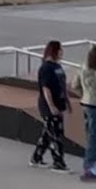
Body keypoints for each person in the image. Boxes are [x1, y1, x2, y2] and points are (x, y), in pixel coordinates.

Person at [71, 44, 96, 181]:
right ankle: (90, 165)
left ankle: (90, 163)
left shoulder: (83, 67)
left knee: (90, 134)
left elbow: (74, 85)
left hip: (85, 104)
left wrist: (83, 94)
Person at [31, 40, 71, 173]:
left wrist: (67, 101)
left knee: (48, 134)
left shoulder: (57, 67)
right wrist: (52, 106)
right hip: (49, 107)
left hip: (59, 105)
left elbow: (62, 85)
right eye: (60, 50)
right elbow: (46, 88)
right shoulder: (46, 68)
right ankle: (58, 162)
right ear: (54, 51)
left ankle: (36, 158)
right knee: (56, 135)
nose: (62, 52)